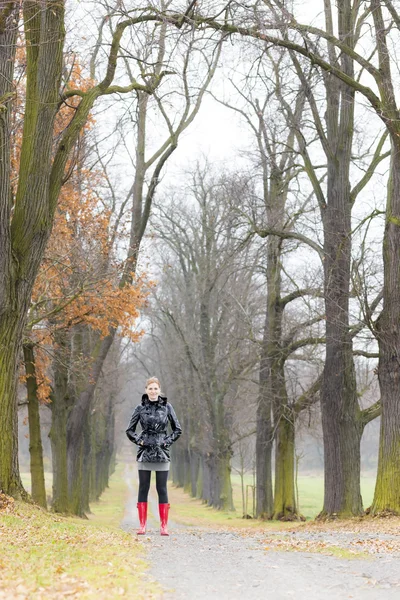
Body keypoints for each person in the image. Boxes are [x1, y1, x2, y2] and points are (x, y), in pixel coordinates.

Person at [126, 377, 182, 536]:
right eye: (150, 388)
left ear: (159, 390)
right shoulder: (140, 408)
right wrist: (139, 441)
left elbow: (178, 429)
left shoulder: (167, 407)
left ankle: (164, 526)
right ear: (146, 390)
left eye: (155, 388)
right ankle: (142, 526)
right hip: (144, 453)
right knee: (143, 488)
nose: (153, 391)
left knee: (161, 488)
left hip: (162, 453)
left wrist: (167, 442)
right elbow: (129, 430)